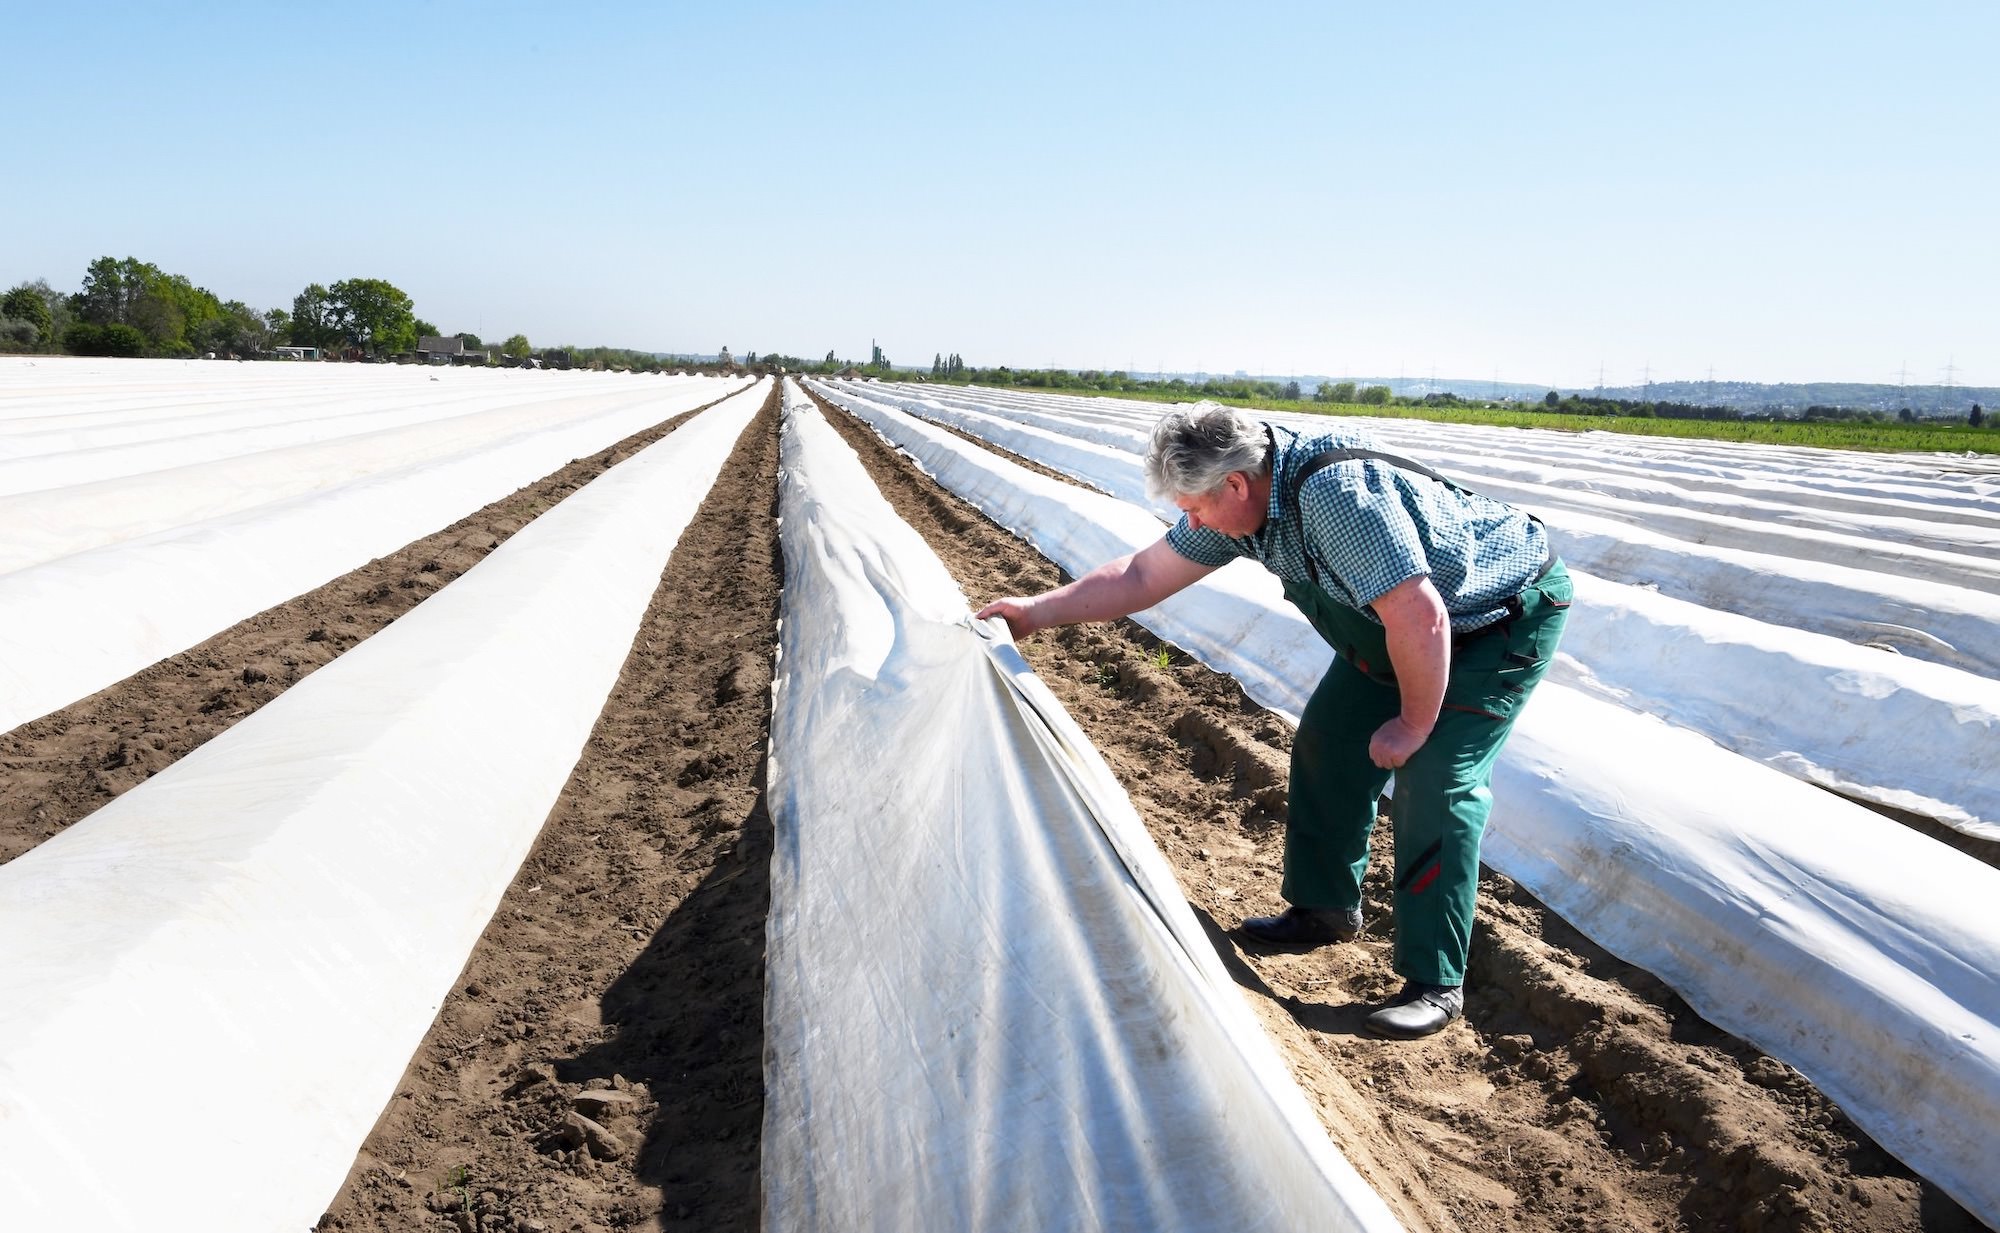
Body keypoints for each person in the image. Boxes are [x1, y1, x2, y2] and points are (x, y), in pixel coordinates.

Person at [976, 402, 1569, 1039]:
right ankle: (1324, 909)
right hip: (1394, 626)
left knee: (1434, 778)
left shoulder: (1336, 499)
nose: (1189, 519)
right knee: (1328, 742)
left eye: (1194, 507)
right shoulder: (1243, 496)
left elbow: (1420, 615)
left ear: (1234, 484)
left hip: (1491, 622)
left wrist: (1414, 725)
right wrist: (1035, 612)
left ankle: (1436, 981)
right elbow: (1144, 574)